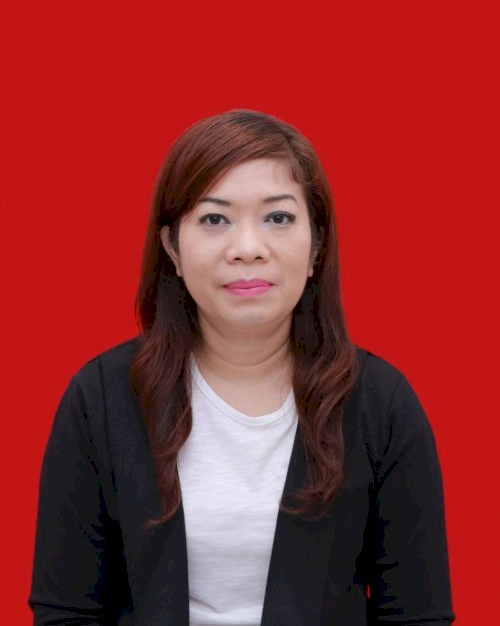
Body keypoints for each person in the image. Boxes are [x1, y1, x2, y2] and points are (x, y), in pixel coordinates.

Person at [29, 109, 455, 625]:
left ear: (316, 245)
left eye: (278, 218)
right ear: (172, 248)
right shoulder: (101, 398)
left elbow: (417, 616)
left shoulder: (380, 405)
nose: (248, 249)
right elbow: (66, 612)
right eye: (214, 219)